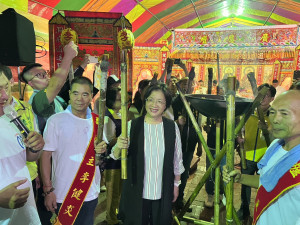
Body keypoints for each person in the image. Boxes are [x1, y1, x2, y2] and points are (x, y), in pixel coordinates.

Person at [224, 90, 300, 225]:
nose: (275, 119)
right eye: (272, 112)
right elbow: (267, 180)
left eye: (284, 113)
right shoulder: (276, 146)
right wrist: (240, 178)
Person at [113, 83, 184, 225]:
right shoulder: (132, 126)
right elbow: (115, 155)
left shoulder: (171, 127)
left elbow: (177, 159)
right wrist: (119, 146)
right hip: (137, 190)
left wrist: (176, 185)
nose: (154, 104)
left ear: (166, 105)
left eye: (159, 101)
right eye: (150, 100)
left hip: (162, 189)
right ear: (145, 101)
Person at [40, 77, 107, 225]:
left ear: (91, 96)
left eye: (85, 94)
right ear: (69, 94)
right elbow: (45, 156)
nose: (80, 99)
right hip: (62, 193)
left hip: (90, 192)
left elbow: (101, 155)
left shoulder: (98, 122)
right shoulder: (56, 120)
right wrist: (48, 190)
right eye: (75, 93)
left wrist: (103, 150)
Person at [0, 64, 45, 225]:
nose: (5, 96)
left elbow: (26, 157)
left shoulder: (11, 116)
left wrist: (35, 147)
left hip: (25, 209)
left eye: (6, 87)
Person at [19, 41, 78, 134]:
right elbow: (55, 85)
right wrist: (68, 57)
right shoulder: (37, 99)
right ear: (31, 83)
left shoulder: (56, 98)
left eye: (45, 73)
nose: (45, 76)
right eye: (39, 75)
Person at [236, 83, 276, 220]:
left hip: (265, 159)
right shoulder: (249, 112)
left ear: (272, 98)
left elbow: (277, 139)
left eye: (267, 96)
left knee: (264, 186)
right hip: (247, 156)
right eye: (260, 95)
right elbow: (242, 130)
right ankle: (244, 210)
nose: (263, 98)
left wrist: (267, 129)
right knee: (245, 185)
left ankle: (263, 211)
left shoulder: (275, 116)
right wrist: (240, 138)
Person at [102, 87, 122, 225]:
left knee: (118, 191)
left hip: (121, 158)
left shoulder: (118, 114)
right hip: (112, 160)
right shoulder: (107, 117)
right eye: (119, 99)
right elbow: (109, 140)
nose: (122, 102)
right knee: (112, 192)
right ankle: (110, 219)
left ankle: (115, 215)